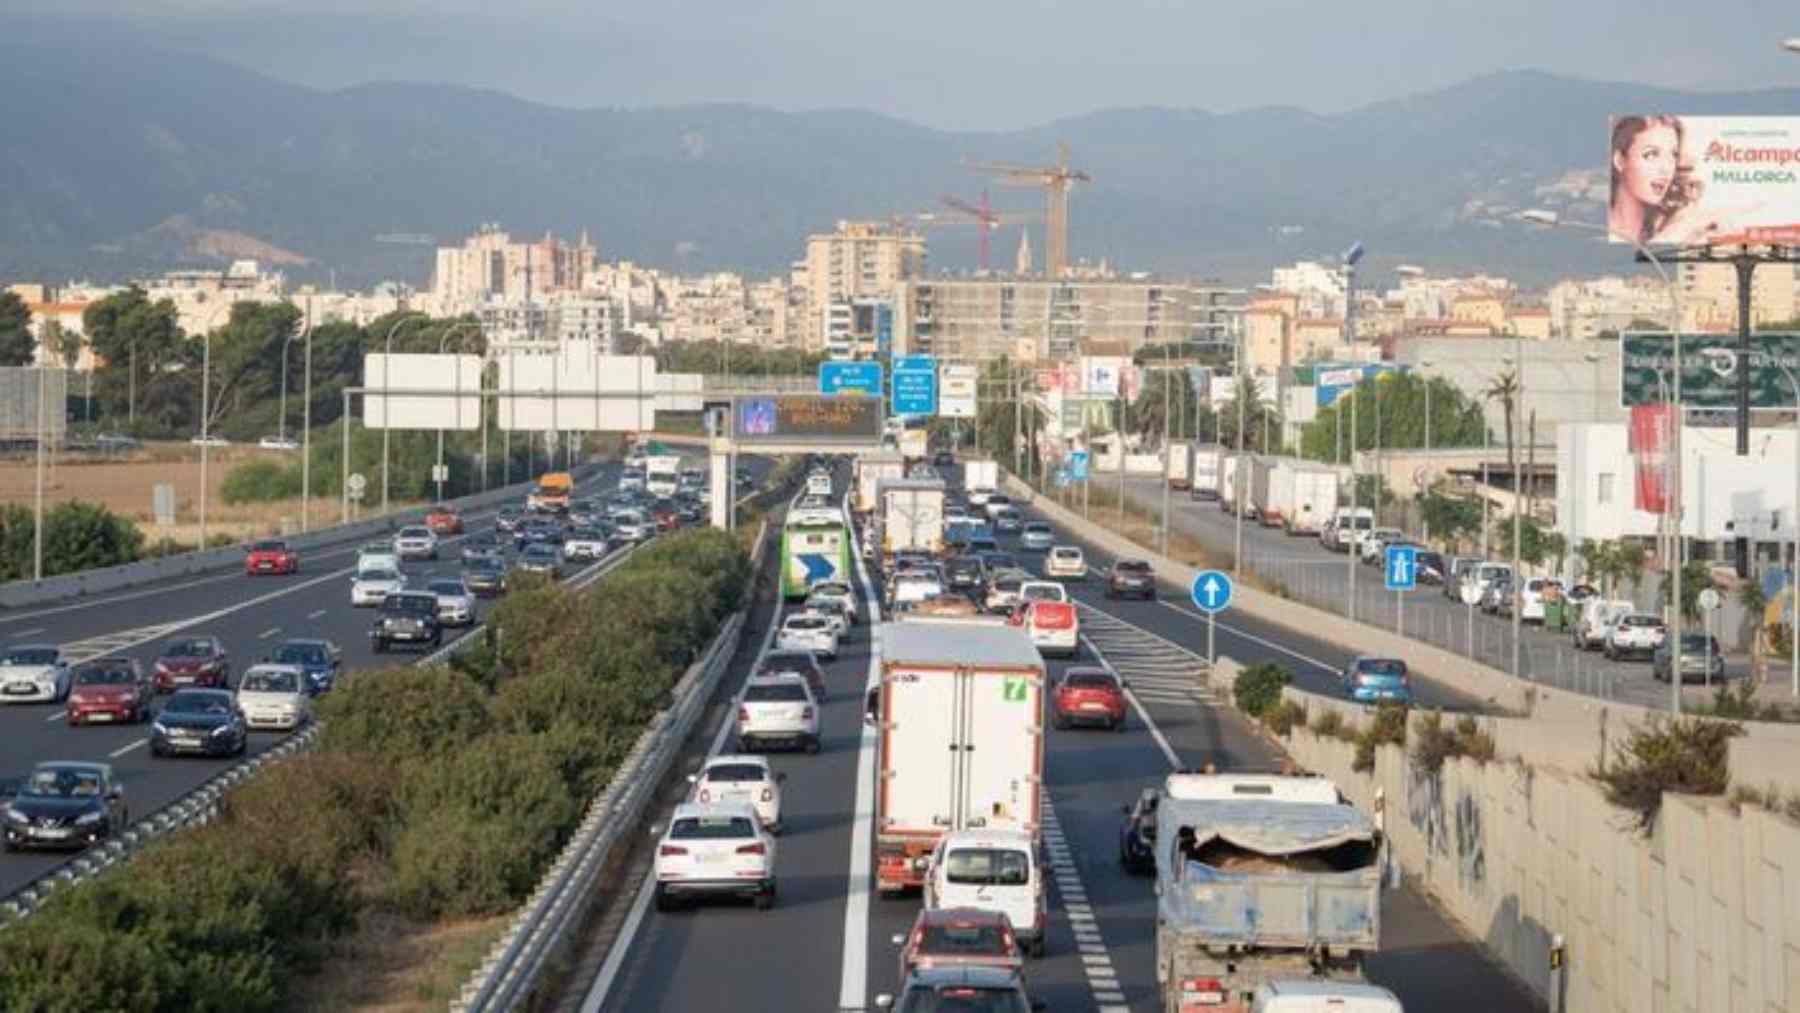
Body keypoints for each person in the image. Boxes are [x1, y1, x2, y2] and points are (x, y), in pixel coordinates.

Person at [1609, 115, 1752, 246]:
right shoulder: (1601, 232)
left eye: (1673, 155)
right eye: (1651, 155)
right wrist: (1682, 228)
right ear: (1620, 161)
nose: (1666, 169)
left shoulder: (1670, 223)